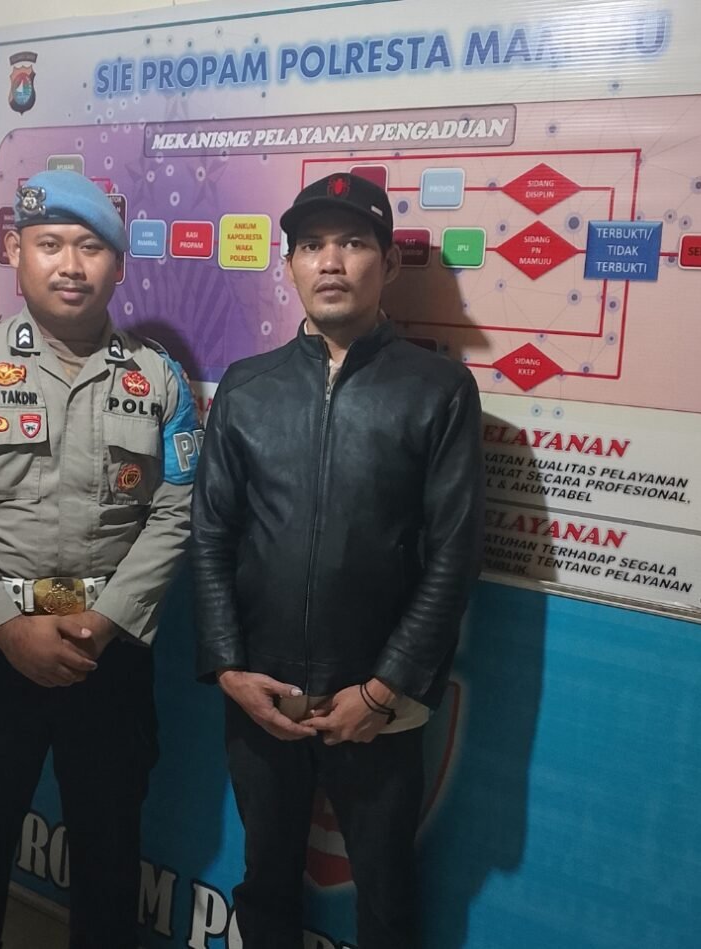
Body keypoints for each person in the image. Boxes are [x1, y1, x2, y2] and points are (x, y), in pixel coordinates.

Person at [0, 170, 201, 949]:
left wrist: (106, 621)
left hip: (109, 651)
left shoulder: (157, 377)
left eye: (91, 247)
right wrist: (7, 628)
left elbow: (175, 509)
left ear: (119, 264)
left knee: (109, 843)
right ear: (15, 250)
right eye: (50, 244)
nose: (71, 264)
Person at [191, 172, 485, 949]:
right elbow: (211, 534)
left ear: (389, 263)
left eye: (353, 242)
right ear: (289, 264)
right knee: (265, 879)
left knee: (387, 897)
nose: (330, 261)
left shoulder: (439, 390)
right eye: (312, 244)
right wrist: (229, 668)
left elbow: (453, 555)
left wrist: (383, 689)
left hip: (377, 705)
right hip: (263, 698)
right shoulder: (247, 389)